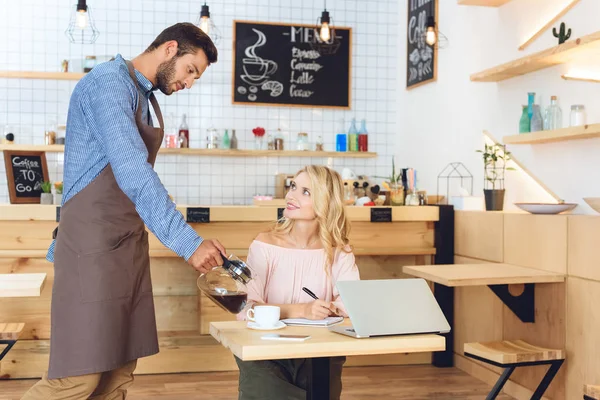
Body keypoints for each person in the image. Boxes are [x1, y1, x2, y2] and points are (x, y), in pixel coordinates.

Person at [22, 23, 225, 400]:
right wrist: (188, 242)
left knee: (118, 373)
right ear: (169, 49)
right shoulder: (108, 85)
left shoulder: (143, 95)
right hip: (92, 246)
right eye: (190, 70)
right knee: (76, 378)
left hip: (126, 245)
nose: (190, 82)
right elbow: (133, 171)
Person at [235, 165, 360, 400]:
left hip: (319, 350)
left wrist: (332, 308)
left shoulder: (340, 252)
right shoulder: (265, 245)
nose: (291, 195)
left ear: (325, 202)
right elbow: (246, 310)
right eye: (293, 186)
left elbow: (352, 302)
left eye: (305, 192)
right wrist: (303, 310)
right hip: (266, 352)